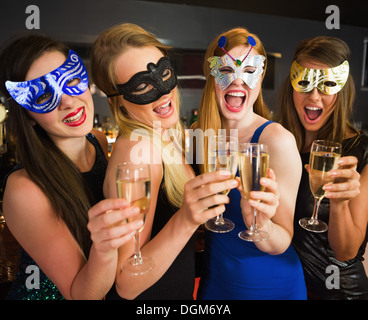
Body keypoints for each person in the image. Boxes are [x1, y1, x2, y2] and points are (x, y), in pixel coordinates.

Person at [90, 23, 237, 300]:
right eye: (142, 85)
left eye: (163, 73)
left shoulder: (166, 135)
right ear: (118, 101)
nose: (162, 91)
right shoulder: (139, 151)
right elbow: (125, 280)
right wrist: (186, 218)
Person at [0, 34, 144, 300]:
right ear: (28, 117)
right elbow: (82, 295)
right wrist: (104, 248)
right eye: (43, 95)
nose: (67, 100)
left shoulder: (98, 141)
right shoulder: (25, 189)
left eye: (71, 80)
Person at [193, 27, 307, 300]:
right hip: (216, 283)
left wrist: (261, 224)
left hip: (271, 286)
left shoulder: (278, 140)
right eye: (226, 70)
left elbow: (282, 240)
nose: (238, 82)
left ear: (260, 76)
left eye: (249, 71)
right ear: (212, 74)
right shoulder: (199, 134)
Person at [277, 36, 368, 299]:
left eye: (327, 85)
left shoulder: (360, 154)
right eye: (304, 83)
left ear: (342, 91)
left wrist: (339, 201)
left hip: (339, 293)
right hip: (288, 289)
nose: (314, 96)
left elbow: (347, 252)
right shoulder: (281, 142)